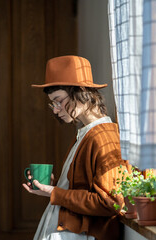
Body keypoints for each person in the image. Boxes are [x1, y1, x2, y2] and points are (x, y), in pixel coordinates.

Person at [22, 55, 128, 240]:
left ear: (81, 91)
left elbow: (111, 202)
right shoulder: (86, 134)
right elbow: (80, 191)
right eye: (52, 103)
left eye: (59, 100)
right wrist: (54, 187)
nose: (55, 109)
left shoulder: (104, 137)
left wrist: (55, 193)